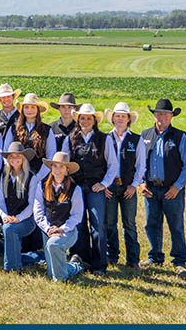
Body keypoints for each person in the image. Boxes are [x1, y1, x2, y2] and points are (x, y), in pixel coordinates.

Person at [138, 98, 186, 275]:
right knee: (151, 223)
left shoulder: (179, 136)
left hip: (172, 189)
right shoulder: (145, 136)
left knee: (175, 225)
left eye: (165, 114)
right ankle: (155, 256)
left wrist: (177, 187)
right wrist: (141, 183)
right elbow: (138, 163)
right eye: (159, 114)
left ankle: (179, 260)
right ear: (154, 115)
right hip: (151, 188)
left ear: (171, 117)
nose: (162, 117)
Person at [65, 103, 118, 275]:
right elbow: (64, 164)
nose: (85, 121)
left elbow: (113, 164)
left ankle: (99, 264)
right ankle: (81, 259)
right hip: (77, 187)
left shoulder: (104, 139)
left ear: (94, 120)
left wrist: (104, 183)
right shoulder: (70, 139)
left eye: (89, 118)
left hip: (95, 188)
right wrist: (69, 184)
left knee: (98, 224)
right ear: (78, 120)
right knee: (78, 223)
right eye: (82, 118)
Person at [103, 102, 146, 269]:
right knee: (110, 222)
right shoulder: (106, 138)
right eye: (117, 116)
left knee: (129, 223)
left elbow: (141, 165)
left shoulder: (136, 139)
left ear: (128, 119)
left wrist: (134, 185)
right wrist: (104, 184)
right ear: (113, 119)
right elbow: (102, 163)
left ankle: (133, 259)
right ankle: (111, 255)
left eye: (123, 116)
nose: (120, 119)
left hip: (128, 186)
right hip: (110, 186)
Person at [33, 151, 85, 283]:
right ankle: (75, 266)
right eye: (55, 166)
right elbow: (38, 212)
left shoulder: (75, 189)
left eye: (61, 166)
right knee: (52, 271)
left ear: (67, 170)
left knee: (53, 244)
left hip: (67, 231)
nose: (58, 169)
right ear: (51, 168)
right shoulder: (42, 186)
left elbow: (77, 215)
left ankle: (61, 281)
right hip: (48, 231)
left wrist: (61, 229)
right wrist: (48, 228)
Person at [0, 141, 41, 272]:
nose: (14, 159)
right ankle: (17, 262)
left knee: (9, 228)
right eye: (11, 156)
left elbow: (32, 204)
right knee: (8, 227)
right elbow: (0, 201)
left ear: (23, 158)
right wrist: (5, 217)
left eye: (18, 156)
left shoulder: (32, 177)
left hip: (27, 220)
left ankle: (11, 267)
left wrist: (18, 218)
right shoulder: (3, 176)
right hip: (8, 219)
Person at [2, 93, 56, 176]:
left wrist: (39, 176)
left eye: (33, 107)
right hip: (16, 174)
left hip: (39, 175)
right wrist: (12, 172)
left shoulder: (47, 130)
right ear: (23, 109)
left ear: (38, 109)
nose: (29, 110)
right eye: (26, 107)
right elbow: (6, 151)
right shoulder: (13, 128)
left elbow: (51, 156)